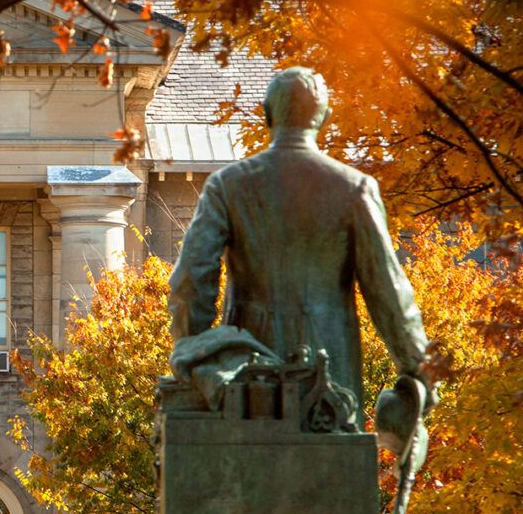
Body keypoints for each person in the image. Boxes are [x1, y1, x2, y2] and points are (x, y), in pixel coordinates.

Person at [169, 67, 430, 408]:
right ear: (325, 118)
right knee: (335, 461)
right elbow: (389, 294)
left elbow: (190, 280)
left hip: (248, 381)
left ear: (266, 114)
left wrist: (195, 356)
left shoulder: (228, 186)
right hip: (333, 379)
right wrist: (419, 372)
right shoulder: (354, 189)